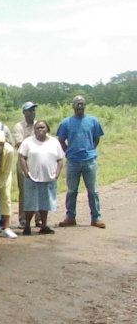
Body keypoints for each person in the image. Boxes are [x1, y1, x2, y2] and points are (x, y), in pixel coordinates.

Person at [56, 95, 105, 228]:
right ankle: (70, 217)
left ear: (85, 105)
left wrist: (89, 150)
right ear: (72, 106)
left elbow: (96, 139)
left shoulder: (93, 121)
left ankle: (96, 218)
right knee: (72, 191)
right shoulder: (66, 123)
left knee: (93, 191)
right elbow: (60, 140)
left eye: (81, 103)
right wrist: (69, 151)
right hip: (73, 161)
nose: (79, 106)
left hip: (89, 161)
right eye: (77, 103)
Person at [18, 121, 64, 235]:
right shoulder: (28, 142)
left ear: (47, 129)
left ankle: (44, 226)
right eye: (37, 128)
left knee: (45, 203)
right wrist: (26, 172)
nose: (40, 130)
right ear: (34, 130)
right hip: (32, 177)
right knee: (30, 203)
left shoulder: (54, 142)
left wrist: (57, 173)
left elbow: (60, 159)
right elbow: (22, 157)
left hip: (49, 177)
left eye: (42, 127)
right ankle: (27, 226)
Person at [12, 102, 38, 229]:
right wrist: (36, 142)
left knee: (39, 188)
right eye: (29, 110)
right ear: (24, 112)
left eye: (33, 110)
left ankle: (39, 219)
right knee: (24, 190)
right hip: (24, 160)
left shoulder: (39, 124)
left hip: (38, 161)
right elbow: (19, 143)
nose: (31, 112)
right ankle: (23, 219)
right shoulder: (19, 126)